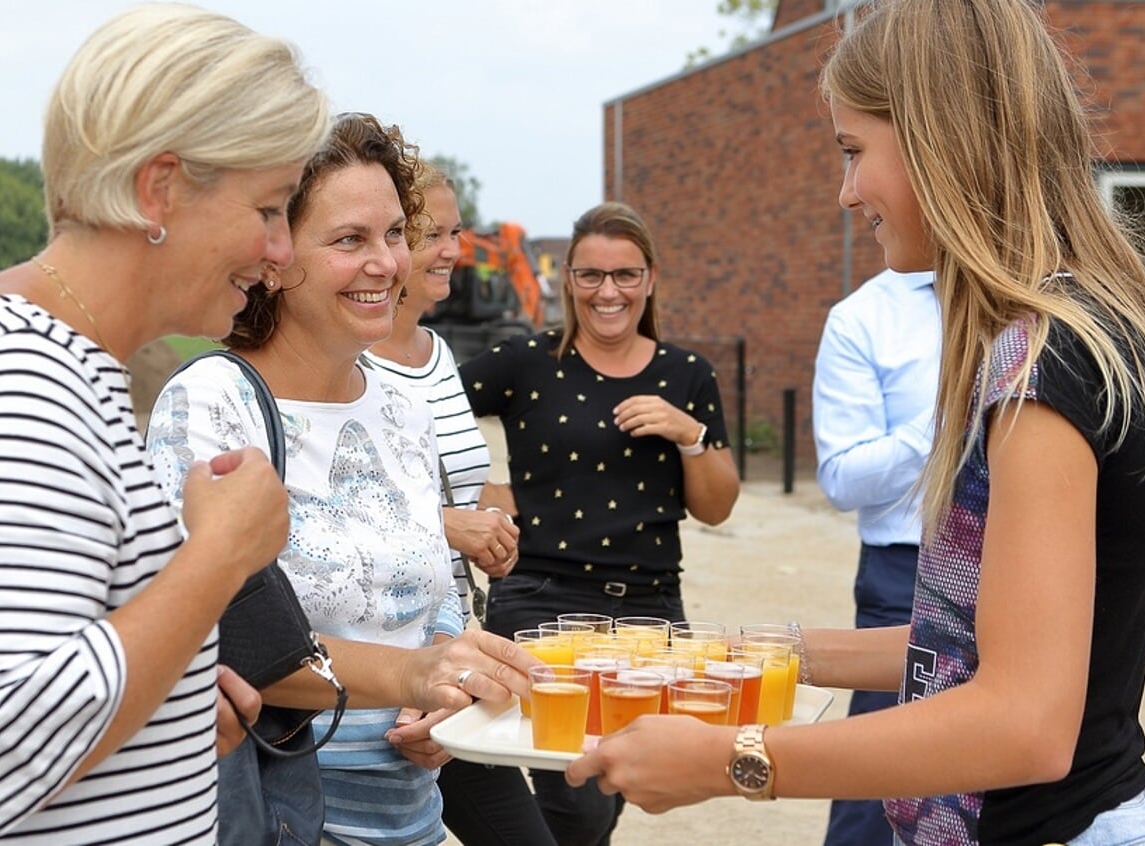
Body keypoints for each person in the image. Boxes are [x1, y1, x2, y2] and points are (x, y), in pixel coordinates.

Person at [565, 2, 1145, 845]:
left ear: (941, 139)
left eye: (852, 151)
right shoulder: (1061, 329)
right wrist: (751, 650)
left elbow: (1022, 721)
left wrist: (732, 758)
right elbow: (974, 643)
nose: (844, 193)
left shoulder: (1043, 364)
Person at [0, 6, 313, 841]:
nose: (281, 252)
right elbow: (4, 744)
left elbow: (35, 668)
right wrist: (219, 556)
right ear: (158, 187)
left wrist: (167, 691)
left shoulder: (54, 363)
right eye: (270, 207)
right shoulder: (13, 384)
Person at [149, 113, 525, 846]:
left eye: (393, 234)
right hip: (276, 807)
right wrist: (413, 674)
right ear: (276, 255)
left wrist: (443, 698)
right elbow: (205, 634)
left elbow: (437, 594)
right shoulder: (211, 407)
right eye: (350, 240)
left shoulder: (402, 408)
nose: (385, 263)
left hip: (411, 816)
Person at [460, 200, 741, 846]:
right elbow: (414, 408)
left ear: (650, 279)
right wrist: (481, 489)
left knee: (611, 785)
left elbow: (716, 506)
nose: (606, 291)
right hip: (541, 605)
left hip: (648, 612)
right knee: (577, 799)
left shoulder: (686, 375)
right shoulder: (525, 363)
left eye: (623, 275)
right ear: (568, 281)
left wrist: (689, 434)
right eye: (589, 275)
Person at [362, 163, 555, 846]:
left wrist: (493, 519)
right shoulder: (346, 365)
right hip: (375, 669)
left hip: (446, 643)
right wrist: (444, 524)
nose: (452, 251)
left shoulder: (437, 351)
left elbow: (451, 484)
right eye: (430, 234)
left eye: (457, 231)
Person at [812, 266, 938, 846]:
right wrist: (951, 417)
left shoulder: (1040, 290)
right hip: (907, 571)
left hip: (1036, 560)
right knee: (880, 771)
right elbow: (841, 480)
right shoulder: (863, 317)